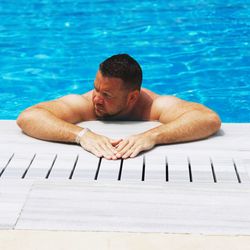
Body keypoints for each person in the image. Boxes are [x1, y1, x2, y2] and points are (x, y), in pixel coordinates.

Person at [17, 54, 221, 160]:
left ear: (132, 97)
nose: (96, 99)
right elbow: (28, 117)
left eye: (106, 95)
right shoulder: (84, 104)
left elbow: (208, 119)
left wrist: (152, 136)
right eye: (96, 88)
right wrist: (82, 135)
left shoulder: (153, 106)